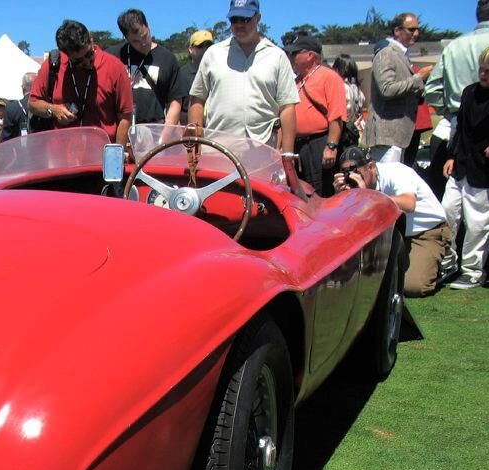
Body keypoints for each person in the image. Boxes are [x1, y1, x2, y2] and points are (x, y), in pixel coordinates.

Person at [334, 146, 455, 297]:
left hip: (425, 232)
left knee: (412, 287)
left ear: (371, 166)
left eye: (355, 171)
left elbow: (409, 204)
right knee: (363, 280)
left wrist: (369, 195)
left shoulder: (397, 172)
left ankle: (446, 260)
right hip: (390, 234)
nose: (352, 177)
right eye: (346, 173)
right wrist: (341, 197)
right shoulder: (355, 186)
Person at [188, 0, 298, 152]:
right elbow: (197, 100)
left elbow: (287, 107)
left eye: (245, 19)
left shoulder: (277, 56)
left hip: (262, 149)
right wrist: (195, 146)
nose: (239, 24)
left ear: (258, 18)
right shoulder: (213, 54)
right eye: (234, 19)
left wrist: (287, 153)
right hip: (217, 148)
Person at [28, 20, 134, 146]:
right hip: (61, 157)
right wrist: (54, 110)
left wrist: (117, 155)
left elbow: (125, 117)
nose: (87, 62)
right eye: (78, 61)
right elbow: (33, 104)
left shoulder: (115, 67)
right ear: (66, 54)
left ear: (91, 39)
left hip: (101, 157)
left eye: (89, 54)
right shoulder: (53, 65)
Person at [425, 0, 489, 200]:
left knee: (456, 200)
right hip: (475, 131)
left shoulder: (454, 45)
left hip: (456, 126)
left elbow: (432, 89)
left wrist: (451, 111)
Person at [441, 46, 489, 289]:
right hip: (461, 162)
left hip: (484, 169)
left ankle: (472, 269)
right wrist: (451, 156)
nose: (483, 75)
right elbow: (460, 128)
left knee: (478, 220)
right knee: (447, 211)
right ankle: (447, 262)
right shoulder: (469, 92)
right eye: (482, 70)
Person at [365, 12, 433, 164]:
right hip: (387, 135)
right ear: (397, 31)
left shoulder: (402, 55)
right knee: (387, 184)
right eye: (411, 29)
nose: (416, 33)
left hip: (399, 136)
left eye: (417, 30)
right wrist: (418, 78)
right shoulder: (386, 54)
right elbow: (387, 89)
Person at [286, 31, 346, 197]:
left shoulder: (329, 77)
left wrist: (331, 146)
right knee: (301, 192)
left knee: (320, 192)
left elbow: (337, 115)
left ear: (310, 55)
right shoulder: (296, 81)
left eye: (295, 53)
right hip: (299, 146)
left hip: (319, 145)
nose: (291, 57)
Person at [107, 9, 184, 126]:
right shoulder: (113, 57)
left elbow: (175, 102)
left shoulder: (168, 58)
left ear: (147, 25)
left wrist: (165, 136)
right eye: (135, 41)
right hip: (121, 129)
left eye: (145, 36)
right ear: (126, 38)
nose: (143, 43)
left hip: (155, 130)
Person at [178, 30, 213, 124]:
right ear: (190, 49)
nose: (205, 49)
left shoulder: (219, 72)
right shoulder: (181, 74)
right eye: (200, 46)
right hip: (190, 130)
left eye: (209, 46)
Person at [2, 72, 37, 142]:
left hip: (18, 151)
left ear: (23, 87)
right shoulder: (45, 107)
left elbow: (6, 138)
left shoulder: (11, 108)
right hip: (41, 149)